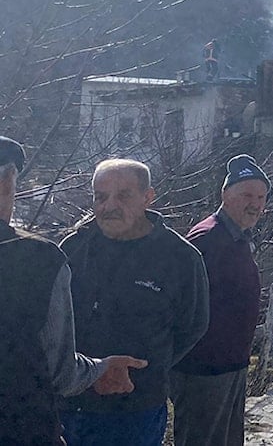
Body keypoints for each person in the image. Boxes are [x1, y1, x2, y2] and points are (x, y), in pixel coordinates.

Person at [0, 138, 146, 444]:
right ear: (6, 186)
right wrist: (101, 368)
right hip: (19, 428)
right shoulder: (38, 259)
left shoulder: (177, 255)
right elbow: (61, 373)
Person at [60, 159, 209, 446]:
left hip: (135, 408)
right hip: (71, 404)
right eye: (100, 197)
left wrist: (147, 367)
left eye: (123, 195)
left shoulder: (180, 258)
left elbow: (193, 326)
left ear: (147, 197)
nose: (109, 206)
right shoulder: (73, 248)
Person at [171, 154, 270, 446]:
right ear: (225, 195)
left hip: (230, 366)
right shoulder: (208, 238)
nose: (255, 203)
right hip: (204, 372)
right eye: (247, 195)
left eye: (261, 197)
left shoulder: (236, 236)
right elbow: (181, 303)